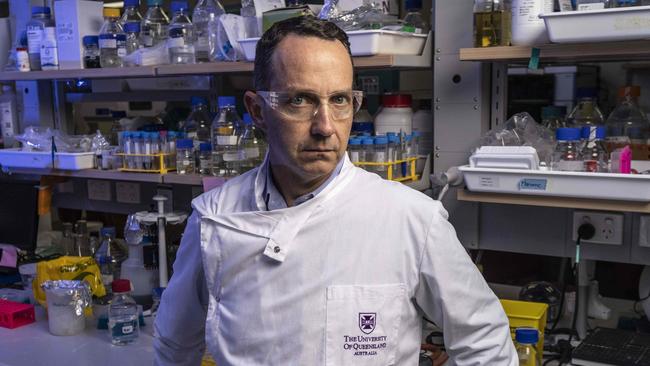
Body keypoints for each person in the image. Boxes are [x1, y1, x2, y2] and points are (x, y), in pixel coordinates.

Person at [154, 16, 517, 365]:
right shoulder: (214, 219)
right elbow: (174, 346)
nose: (325, 127)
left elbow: (487, 346)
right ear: (258, 110)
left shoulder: (412, 220)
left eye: (340, 100)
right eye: (301, 100)